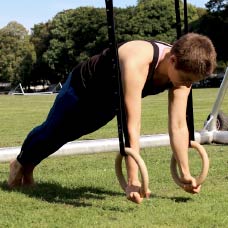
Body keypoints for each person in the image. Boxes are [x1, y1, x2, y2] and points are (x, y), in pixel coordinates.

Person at [8, 33, 216, 204]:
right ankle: (20, 164)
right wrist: (133, 180)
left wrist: (185, 173)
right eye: (187, 79)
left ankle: (27, 166)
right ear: (172, 60)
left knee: (67, 135)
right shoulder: (138, 60)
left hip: (109, 102)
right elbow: (131, 124)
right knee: (53, 130)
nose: (188, 84)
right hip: (82, 89)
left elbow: (179, 125)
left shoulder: (184, 71)